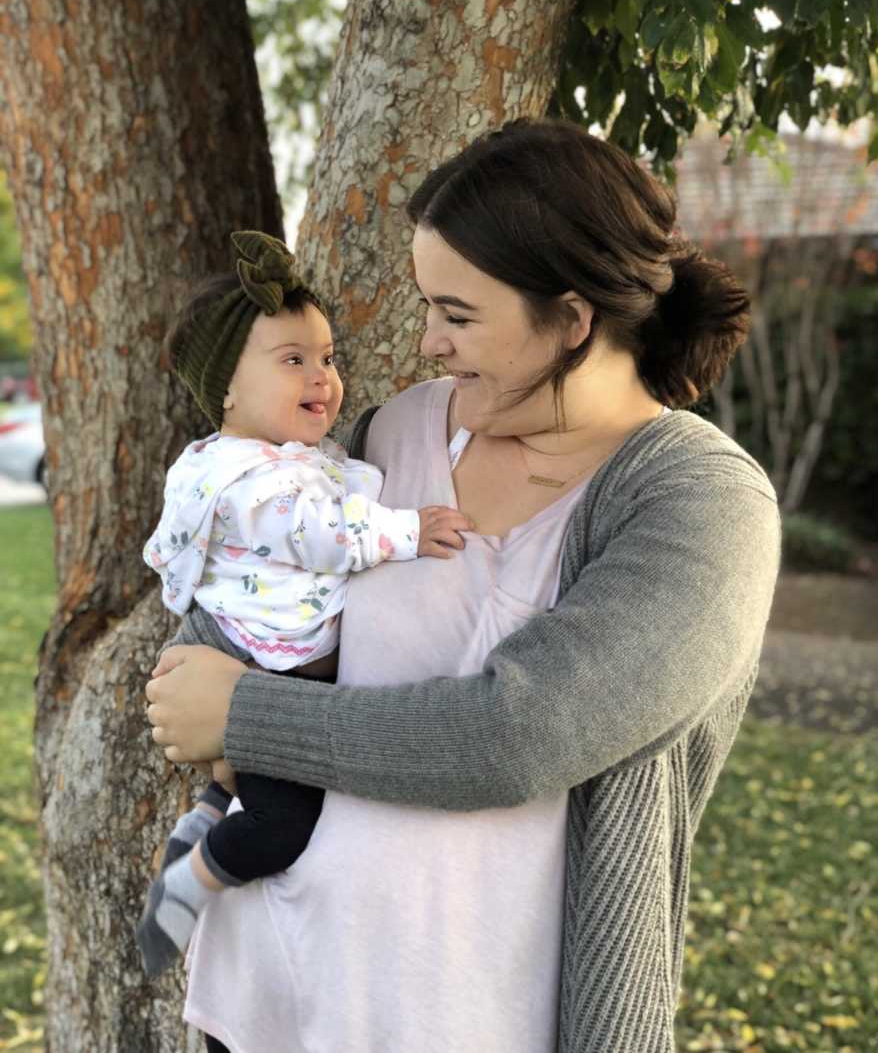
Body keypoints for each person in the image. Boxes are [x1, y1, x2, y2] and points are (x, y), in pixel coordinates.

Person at [146, 119, 781, 1053]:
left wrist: (244, 718)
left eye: (458, 312)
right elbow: (254, 569)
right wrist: (192, 667)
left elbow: (514, 735)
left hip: (476, 1024)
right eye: (427, 306)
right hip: (274, 994)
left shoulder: (698, 502)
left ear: (572, 319)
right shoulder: (393, 433)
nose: (429, 341)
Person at [136, 230, 469, 978]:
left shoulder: (268, 459)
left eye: (327, 357)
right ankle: (188, 885)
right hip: (272, 678)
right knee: (284, 825)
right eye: (294, 361)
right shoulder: (251, 483)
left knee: (236, 785)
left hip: (263, 659)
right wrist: (410, 531)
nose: (323, 377)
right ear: (226, 386)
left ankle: (202, 823)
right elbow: (322, 536)